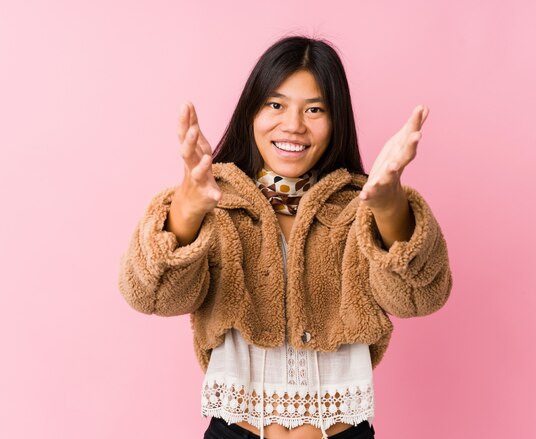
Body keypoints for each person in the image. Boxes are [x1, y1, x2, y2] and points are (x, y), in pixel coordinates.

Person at [118, 35, 452, 439]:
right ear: (251, 113)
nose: (293, 125)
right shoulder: (217, 201)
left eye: (314, 109)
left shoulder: (357, 207)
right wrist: (187, 209)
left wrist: (388, 206)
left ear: (336, 121)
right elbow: (149, 295)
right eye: (275, 105)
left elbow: (422, 296)